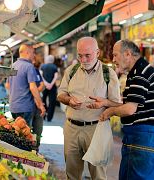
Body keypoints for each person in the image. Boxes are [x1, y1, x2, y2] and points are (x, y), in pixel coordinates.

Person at [87, 40, 154, 180]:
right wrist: (106, 103)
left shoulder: (140, 72)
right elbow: (131, 104)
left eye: (115, 55)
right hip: (142, 138)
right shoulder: (137, 71)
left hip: (141, 138)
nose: (113, 59)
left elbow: (129, 109)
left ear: (127, 54)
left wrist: (109, 112)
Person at [57, 37, 121, 180]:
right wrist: (69, 100)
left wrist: (103, 103)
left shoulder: (108, 74)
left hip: (96, 129)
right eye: (80, 55)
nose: (83, 60)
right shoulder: (71, 71)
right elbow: (60, 95)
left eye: (87, 55)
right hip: (71, 129)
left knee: (98, 174)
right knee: (72, 173)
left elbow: (117, 104)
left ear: (97, 53)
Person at [6, 44, 45, 126]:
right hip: (25, 107)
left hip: (13, 107)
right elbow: (33, 87)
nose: (34, 55)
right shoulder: (29, 66)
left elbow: (7, 85)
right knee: (25, 135)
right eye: (33, 53)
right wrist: (40, 105)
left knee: (17, 133)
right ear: (27, 52)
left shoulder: (12, 66)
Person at [40, 55, 58, 121]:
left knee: (43, 100)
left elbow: (41, 76)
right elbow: (56, 77)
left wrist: (46, 83)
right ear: (52, 60)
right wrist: (51, 84)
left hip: (44, 86)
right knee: (52, 102)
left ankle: (44, 114)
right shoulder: (55, 67)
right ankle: (49, 117)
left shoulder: (43, 66)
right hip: (52, 87)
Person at [32, 55, 45, 147]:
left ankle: (34, 149)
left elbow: (42, 85)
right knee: (36, 130)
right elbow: (41, 85)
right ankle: (34, 148)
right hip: (32, 103)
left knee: (36, 130)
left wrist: (34, 91)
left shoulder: (35, 71)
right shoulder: (33, 70)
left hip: (35, 103)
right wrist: (36, 91)